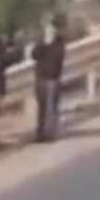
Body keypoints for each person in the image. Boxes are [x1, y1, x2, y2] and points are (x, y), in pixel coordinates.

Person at [29, 14, 68, 143]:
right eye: (48, 29)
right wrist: (44, 44)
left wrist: (51, 44)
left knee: (52, 107)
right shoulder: (41, 42)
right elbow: (34, 55)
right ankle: (40, 133)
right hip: (40, 78)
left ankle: (51, 132)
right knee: (42, 107)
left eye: (52, 29)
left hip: (53, 78)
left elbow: (59, 58)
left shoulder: (60, 42)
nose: (50, 31)